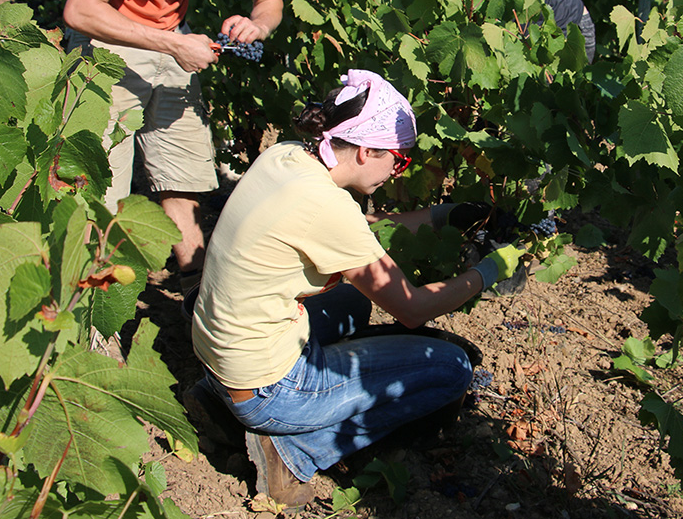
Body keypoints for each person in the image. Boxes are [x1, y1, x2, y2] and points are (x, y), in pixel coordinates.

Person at [190, 69, 522, 508]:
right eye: (399, 160)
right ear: (367, 151)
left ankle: (219, 399)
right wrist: (488, 271)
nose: (400, 172)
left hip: (222, 355)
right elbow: (413, 309)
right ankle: (291, 452)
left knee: (350, 301)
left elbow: (360, 233)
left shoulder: (288, 158)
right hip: (268, 388)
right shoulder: (325, 206)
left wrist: (449, 213)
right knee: (453, 370)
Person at [62, 0, 313, 293]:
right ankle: (89, 313)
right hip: (108, 40)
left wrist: (258, 23)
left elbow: (270, 1)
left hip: (171, 36)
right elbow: (81, 9)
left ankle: (196, 289)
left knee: (183, 173)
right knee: (100, 190)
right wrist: (173, 44)